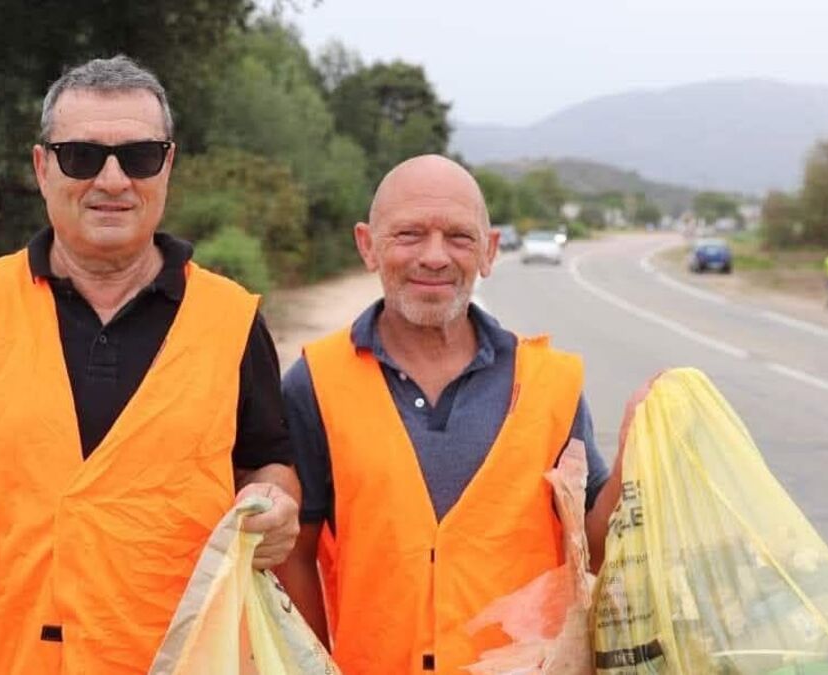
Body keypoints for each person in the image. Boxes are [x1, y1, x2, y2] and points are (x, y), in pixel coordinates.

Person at [0, 56, 300, 674]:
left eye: (138, 157)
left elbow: (268, 462)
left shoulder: (233, 319)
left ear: (167, 165)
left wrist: (276, 503)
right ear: (42, 167)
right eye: (81, 156)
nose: (112, 180)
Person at [275, 155, 645, 673]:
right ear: (367, 245)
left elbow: (594, 548)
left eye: (459, 237)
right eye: (409, 234)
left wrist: (635, 453)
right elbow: (294, 551)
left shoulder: (550, 383)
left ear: (489, 251)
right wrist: (314, 666)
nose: (434, 257)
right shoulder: (314, 382)